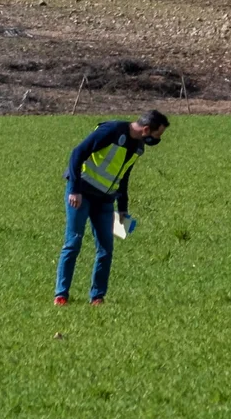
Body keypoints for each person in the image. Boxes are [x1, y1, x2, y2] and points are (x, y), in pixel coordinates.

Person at [54, 109, 169, 306]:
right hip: (81, 194)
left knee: (106, 249)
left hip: (105, 200)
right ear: (146, 129)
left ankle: (97, 297)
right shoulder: (111, 131)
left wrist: (122, 208)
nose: (157, 140)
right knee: (73, 243)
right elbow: (77, 153)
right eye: (157, 135)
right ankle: (61, 294)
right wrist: (74, 189)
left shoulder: (139, 147)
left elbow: (124, 176)